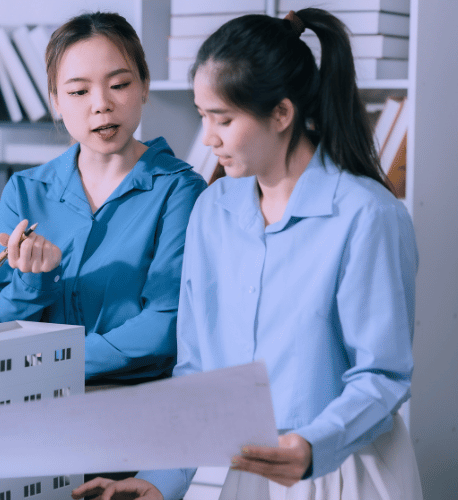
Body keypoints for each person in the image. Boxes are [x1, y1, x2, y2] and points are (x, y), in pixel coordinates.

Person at [73, 8, 422, 500]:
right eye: (202, 117)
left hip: (347, 474)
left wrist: (312, 446)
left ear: (282, 114)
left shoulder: (367, 216)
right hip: (252, 478)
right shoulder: (213, 210)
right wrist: (159, 480)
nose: (209, 137)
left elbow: (382, 376)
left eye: (224, 119)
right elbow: (196, 373)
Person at [0, 12, 206, 385]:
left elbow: (167, 321)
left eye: (118, 84)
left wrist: (54, 364)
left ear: (145, 86)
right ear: (55, 101)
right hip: (34, 403)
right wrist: (35, 281)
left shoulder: (180, 190)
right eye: (78, 91)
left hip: (136, 404)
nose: (101, 104)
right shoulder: (24, 190)